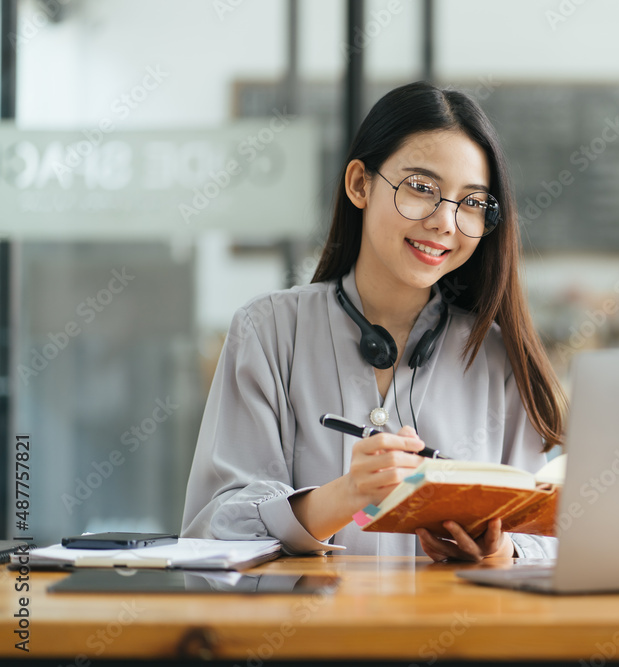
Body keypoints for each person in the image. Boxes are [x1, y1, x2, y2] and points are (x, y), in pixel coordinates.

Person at [181, 81, 565, 561]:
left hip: (455, 634)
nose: (446, 223)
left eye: (471, 203)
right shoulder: (269, 331)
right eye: (422, 188)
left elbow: (549, 543)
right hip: (309, 636)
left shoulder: (497, 354)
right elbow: (214, 530)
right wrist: (347, 495)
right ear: (360, 184)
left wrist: (500, 552)